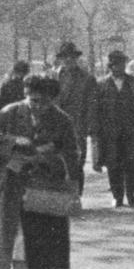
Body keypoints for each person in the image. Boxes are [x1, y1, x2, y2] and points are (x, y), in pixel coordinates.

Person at [0, 72, 78, 269]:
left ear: (52, 100)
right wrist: (13, 141)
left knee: (41, 249)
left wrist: (48, 160)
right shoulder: (10, 113)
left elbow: (72, 156)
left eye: (44, 102)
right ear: (26, 95)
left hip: (46, 192)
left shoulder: (62, 120)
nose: (38, 107)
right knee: (19, 246)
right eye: (33, 100)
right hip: (13, 190)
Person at [94, 49, 134, 207]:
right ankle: (117, 196)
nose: (120, 67)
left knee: (132, 164)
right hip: (110, 132)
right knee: (113, 164)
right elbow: (96, 109)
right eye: (117, 64)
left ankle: (130, 194)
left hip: (130, 130)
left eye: (123, 64)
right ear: (111, 66)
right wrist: (97, 130)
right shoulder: (101, 84)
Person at [54, 40, 97, 196]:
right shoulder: (52, 77)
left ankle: (76, 196)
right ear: (60, 59)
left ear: (76, 58)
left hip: (77, 128)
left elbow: (91, 105)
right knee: (56, 162)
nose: (68, 60)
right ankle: (60, 197)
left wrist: (90, 128)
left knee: (76, 163)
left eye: (71, 57)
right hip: (55, 127)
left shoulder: (87, 78)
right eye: (65, 57)